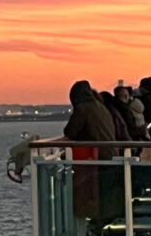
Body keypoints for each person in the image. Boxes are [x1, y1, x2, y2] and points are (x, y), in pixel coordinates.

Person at [64, 80, 117, 229]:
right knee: (105, 198)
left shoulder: (83, 108)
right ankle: (103, 226)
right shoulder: (100, 107)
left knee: (96, 196)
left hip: (98, 159)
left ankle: (96, 227)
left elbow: (70, 131)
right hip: (110, 156)